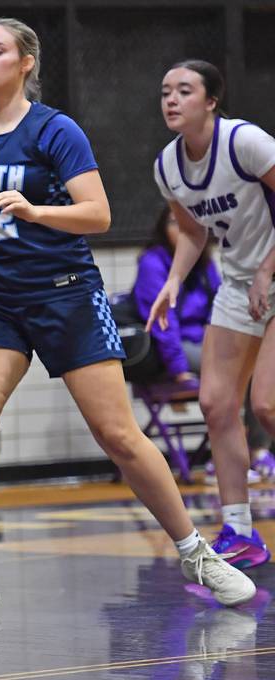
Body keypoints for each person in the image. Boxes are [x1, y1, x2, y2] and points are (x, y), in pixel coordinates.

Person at [0, 18, 257, 618]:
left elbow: (98, 215)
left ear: (26, 62)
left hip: (66, 293)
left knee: (118, 436)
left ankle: (197, 552)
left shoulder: (57, 129)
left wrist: (35, 210)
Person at [147, 59, 275, 568]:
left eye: (184, 90)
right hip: (242, 282)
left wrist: (268, 269)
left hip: (270, 273)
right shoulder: (168, 167)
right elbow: (194, 232)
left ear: (212, 101)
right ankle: (241, 532)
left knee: (265, 405)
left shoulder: (245, 142)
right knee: (217, 403)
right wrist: (173, 281)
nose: (171, 99)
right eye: (165, 91)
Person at [133, 206, 220, 386]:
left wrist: (214, 333)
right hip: (174, 345)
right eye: (174, 222)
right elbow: (163, 323)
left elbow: (219, 302)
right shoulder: (152, 263)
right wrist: (179, 369)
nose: (182, 228)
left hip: (204, 339)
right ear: (163, 228)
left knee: (253, 359)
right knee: (235, 366)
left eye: (188, 221)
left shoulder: (205, 261)